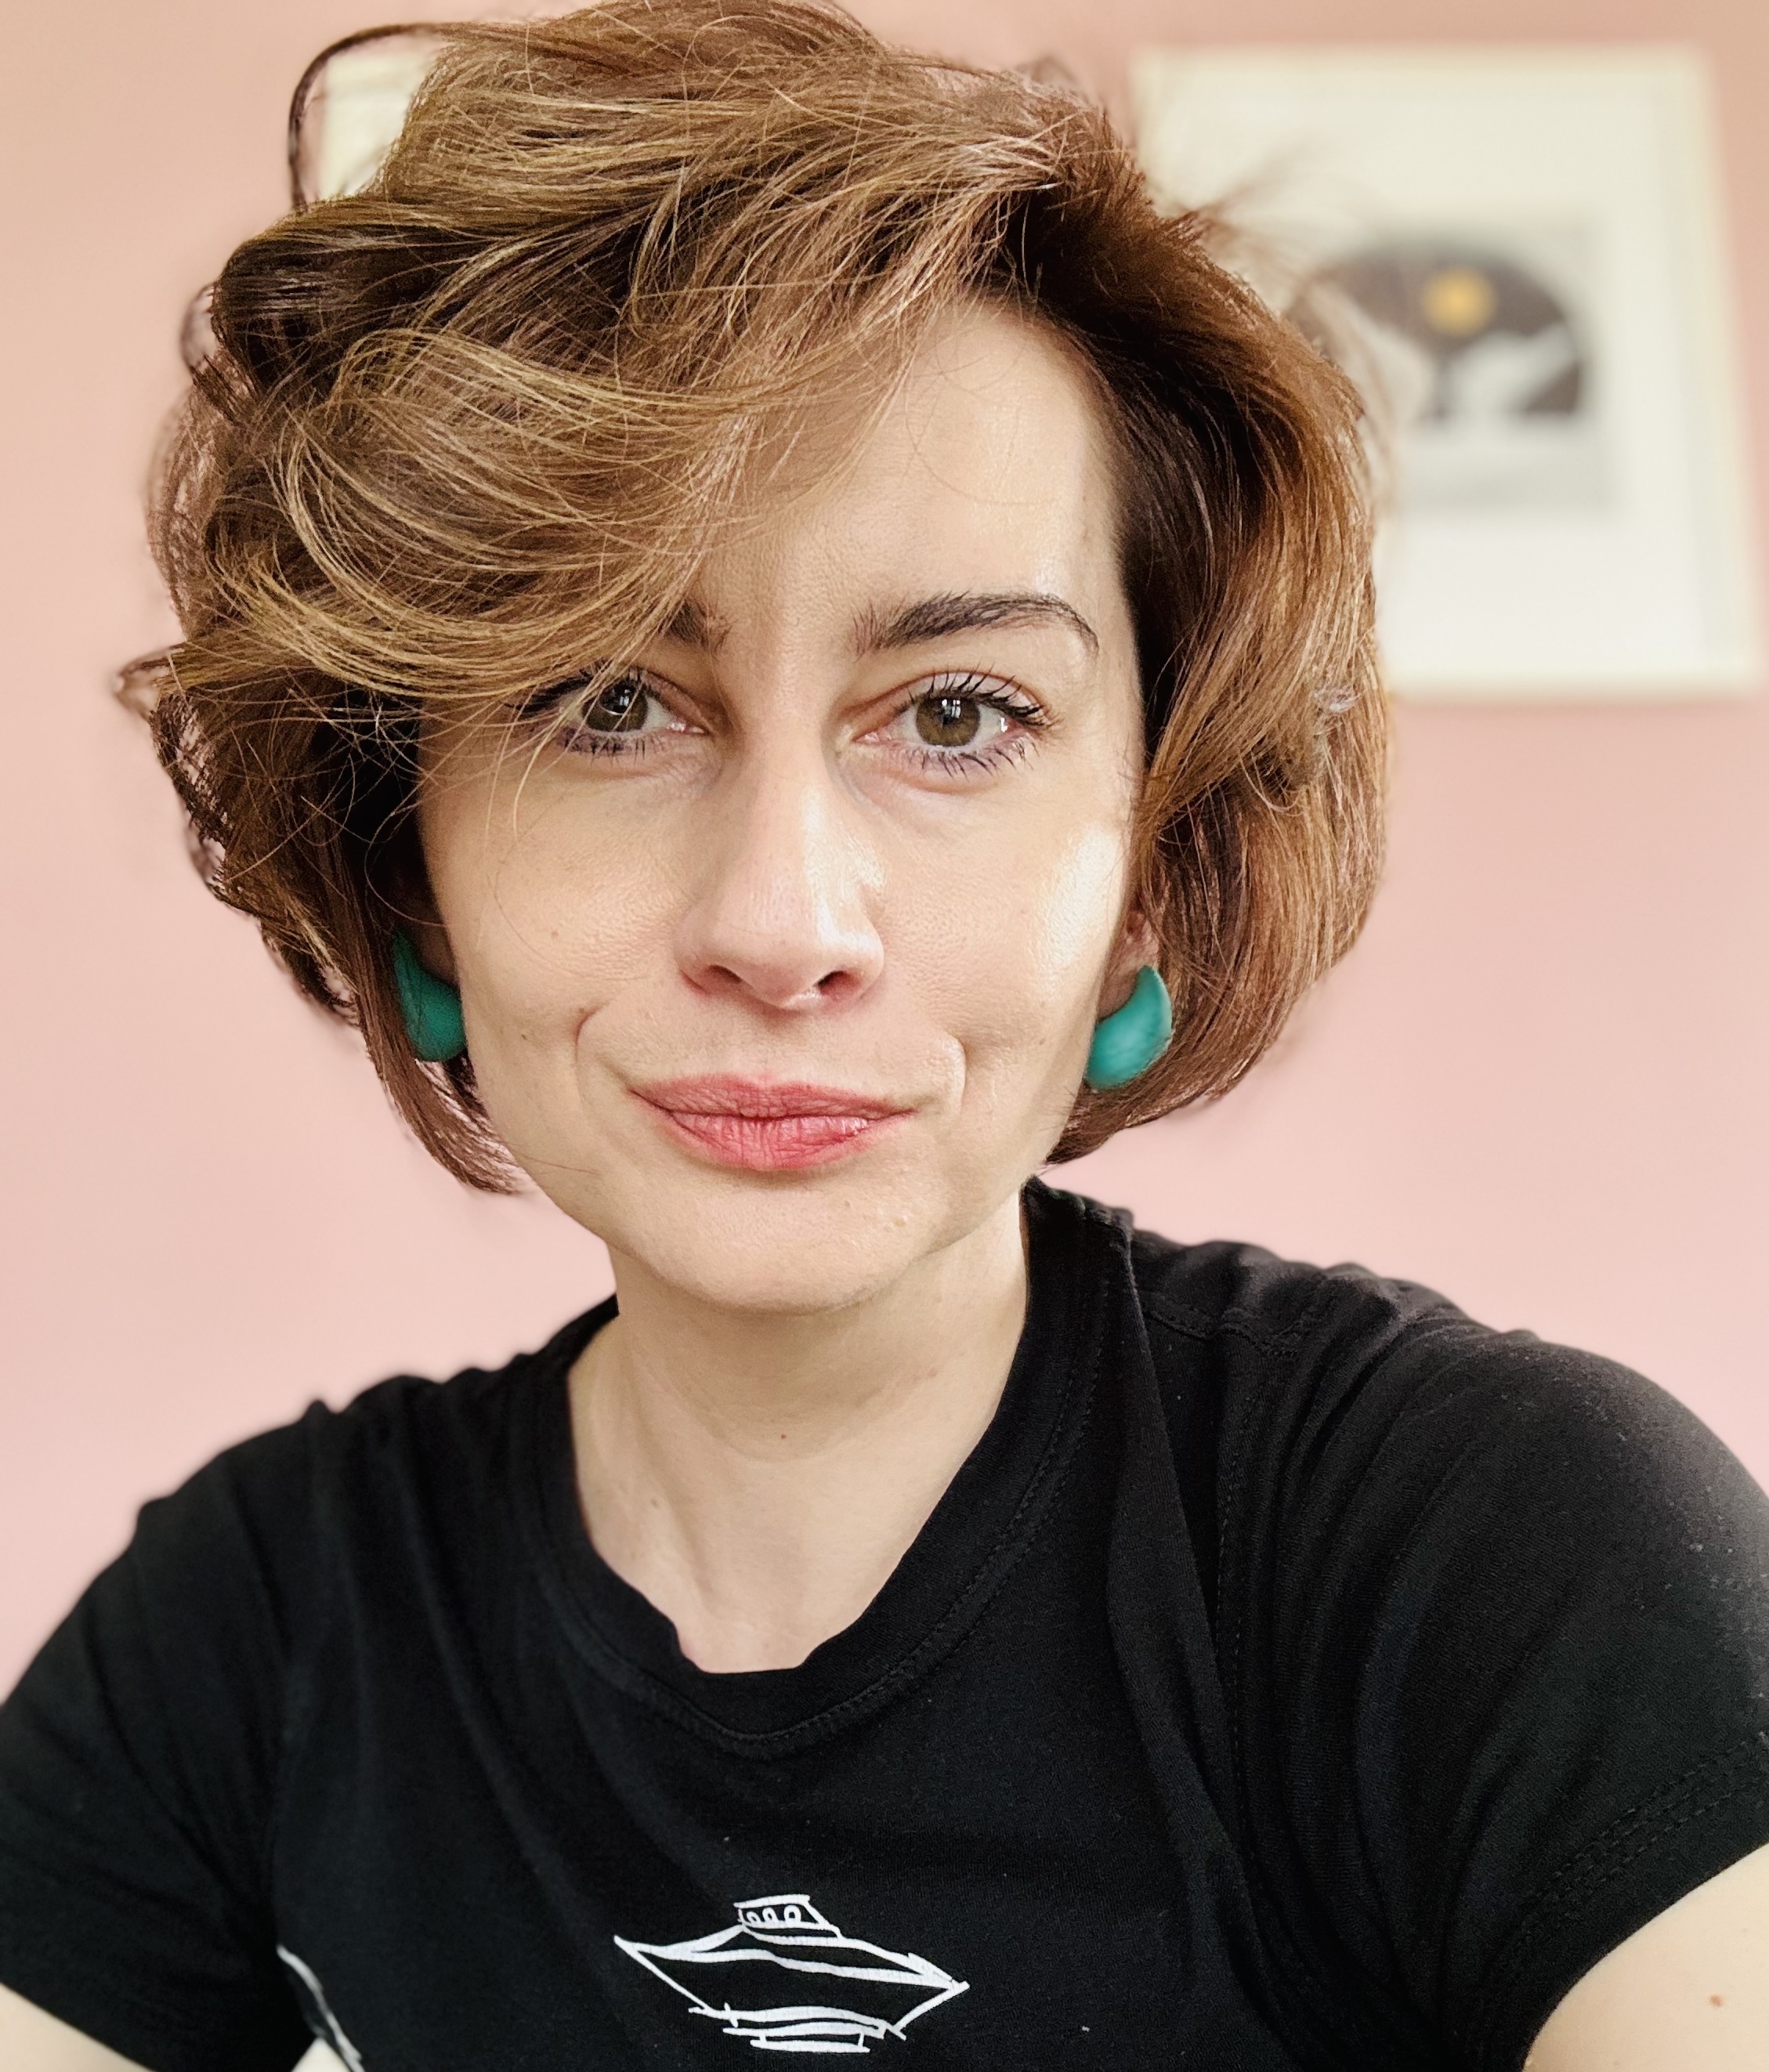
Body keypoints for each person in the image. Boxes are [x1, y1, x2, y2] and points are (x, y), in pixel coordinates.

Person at [2, 4, 1766, 2067]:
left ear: (1150, 869)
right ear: (411, 865)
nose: (783, 925)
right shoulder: (256, 1626)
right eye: (606, 704)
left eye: (956, 713)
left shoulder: (1505, 1550)